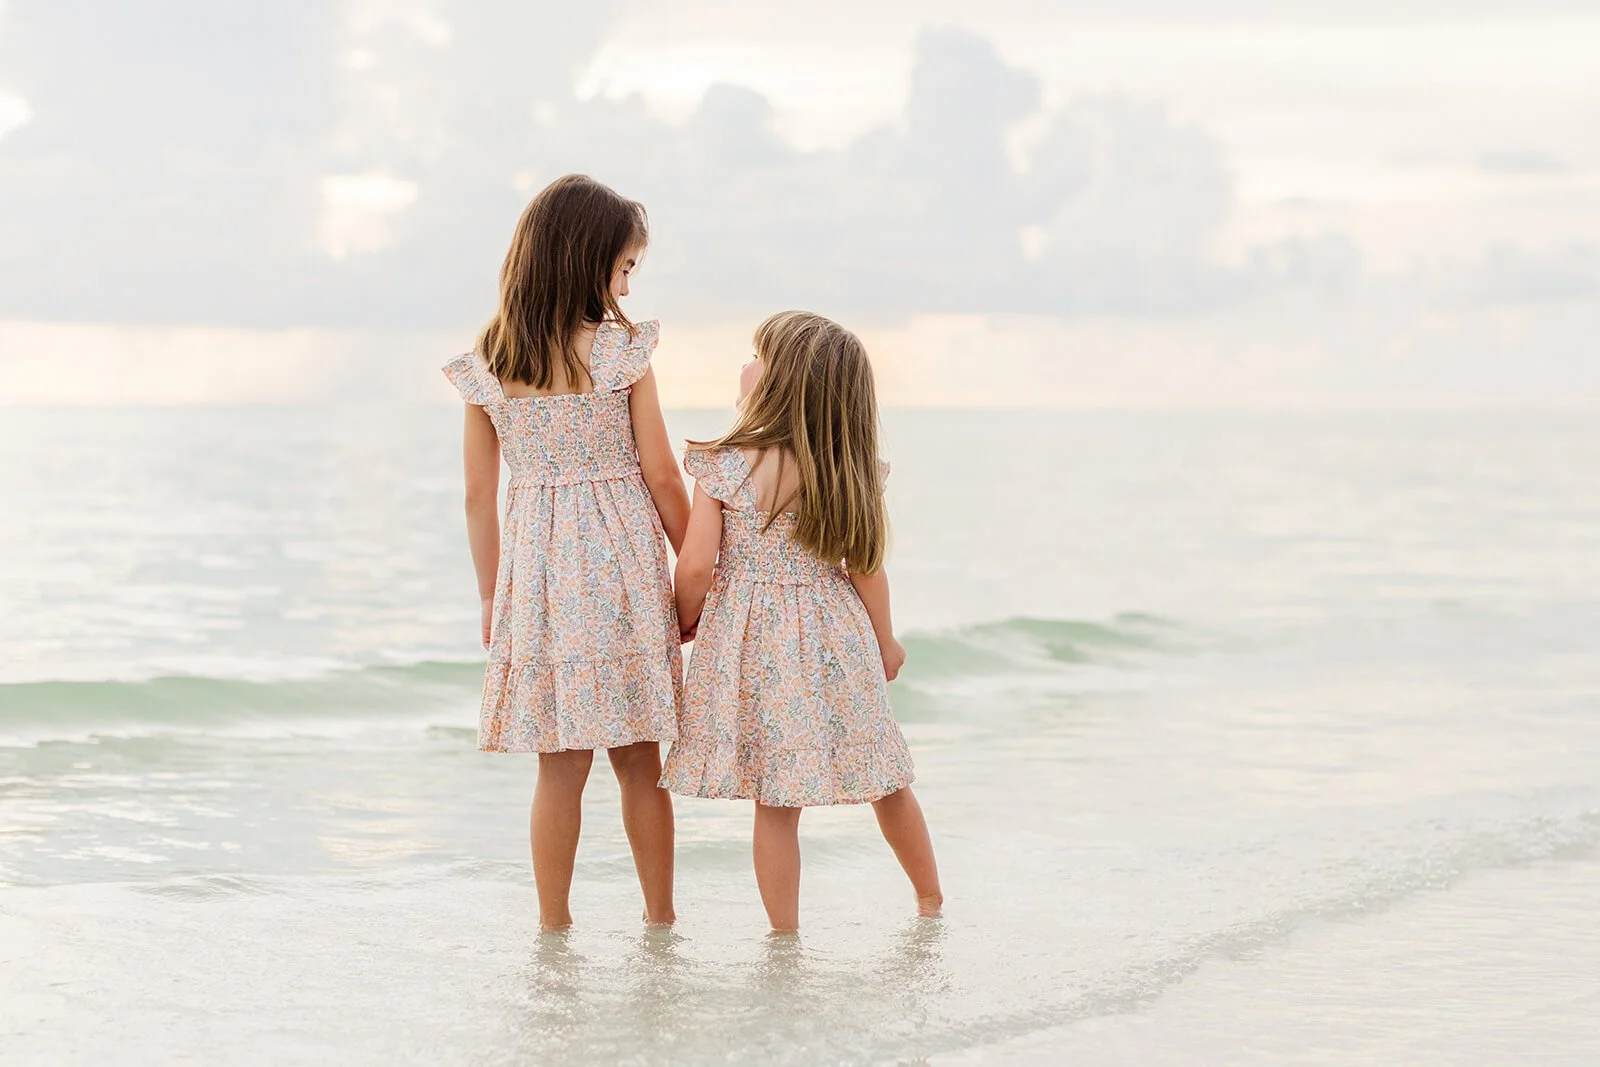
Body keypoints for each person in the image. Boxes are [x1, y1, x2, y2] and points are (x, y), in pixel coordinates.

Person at [443, 174, 687, 930]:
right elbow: (660, 472)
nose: (626, 283)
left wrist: (492, 593)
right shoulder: (619, 353)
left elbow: (479, 498)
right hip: (621, 570)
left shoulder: (491, 360)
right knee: (640, 760)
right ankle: (659, 920)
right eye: (623, 268)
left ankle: (554, 926)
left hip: (542, 574)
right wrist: (699, 567)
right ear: (586, 262)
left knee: (559, 764)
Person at [661, 310, 942, 931]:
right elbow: (866, 567)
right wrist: (886, 641)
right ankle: (930, 900)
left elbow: (697, 567)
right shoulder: (844, 468)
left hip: (756, 643)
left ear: (781, 380)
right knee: (886, 776)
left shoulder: (728, 464)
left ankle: (784, 935)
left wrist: (683, 622)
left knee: (776, 800)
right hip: (835, 637)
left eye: (756, 354)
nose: (745, 364)